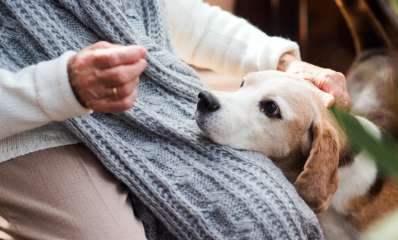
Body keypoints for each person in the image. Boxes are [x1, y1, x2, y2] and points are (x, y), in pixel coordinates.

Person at [0, 0, 350, 239]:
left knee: (271, 218)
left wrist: (278, 61)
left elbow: (163, 10)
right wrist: (62, 87)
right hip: (34, 128)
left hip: (152, 105)